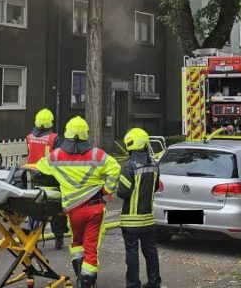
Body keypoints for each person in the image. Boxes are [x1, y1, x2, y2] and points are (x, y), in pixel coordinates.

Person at [37, 116, 120, 288]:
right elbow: (115, 169)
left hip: (73, 211)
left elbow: (41, 166)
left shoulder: (56, 155)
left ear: (67, 133)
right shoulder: (97, 154)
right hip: (94, 208)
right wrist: (107, 189)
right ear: (85, 135)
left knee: (76, 243)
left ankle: (80, 275)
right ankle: (86, 282)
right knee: (91, 249)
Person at [117, 128, 161, 288]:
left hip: (131, 221)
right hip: (148, 220)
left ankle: (133, 284)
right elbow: (155, 187)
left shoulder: (129, 167)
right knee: (150, 251)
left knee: (132, 252)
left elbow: (123, 193)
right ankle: (154, 283)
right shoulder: (154, 165)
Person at [26, 108, 66, 249]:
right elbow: (59, 158)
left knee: (33, 209)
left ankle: (32, 240)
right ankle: (58, 237)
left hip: (31, 176)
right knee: (53, 208)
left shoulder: (29, 137)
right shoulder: (54, 138)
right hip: (48, 177)